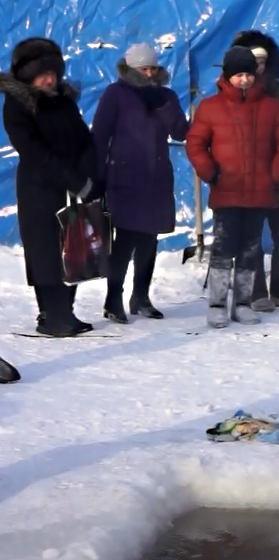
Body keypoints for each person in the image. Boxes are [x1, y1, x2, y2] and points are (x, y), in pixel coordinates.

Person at [186, 46, 279, 328]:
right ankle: (217, 304)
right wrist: (211, 172)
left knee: (250, 251)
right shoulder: (211, 107)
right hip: (226, 192)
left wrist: (275, 174)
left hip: (260, 193)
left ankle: (244, 303)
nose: (244, 80)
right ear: (227, 76)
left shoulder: (271, 106)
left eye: (248, 74)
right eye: (238, 75)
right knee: (223, 250)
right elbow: (195, 144)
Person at [1, 37, 99, 336]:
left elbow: (84, 139)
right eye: (42, 74)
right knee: (47, 254)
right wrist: (73, 180)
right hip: (40, 189)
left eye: (52, 73)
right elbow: (35, 153)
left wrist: (88, 175)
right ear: (28, 75)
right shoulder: (17, 107)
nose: (49, 79)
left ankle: (64, 312)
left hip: (74, 188)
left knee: (75, 252)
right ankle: (53, 316)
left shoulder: (63, 101)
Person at [91, 43, 190, 324]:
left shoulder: (165, 95)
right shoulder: (116, 94)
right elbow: (99, 136)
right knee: (123, 243)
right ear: (130, 68)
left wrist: (163, 104)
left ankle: (141, 297)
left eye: (152, 68)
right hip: (124, 179)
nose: (148, 73)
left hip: (156, 179)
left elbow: (181, 132)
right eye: (143, 69)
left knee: (149, 240)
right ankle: (113, 299)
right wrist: (97, 176)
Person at [232, 30, 279, 315]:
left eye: (263, 61)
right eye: (253, 60)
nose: (259, 66)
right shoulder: (233, 93)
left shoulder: (278, 90)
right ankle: (256, 293)